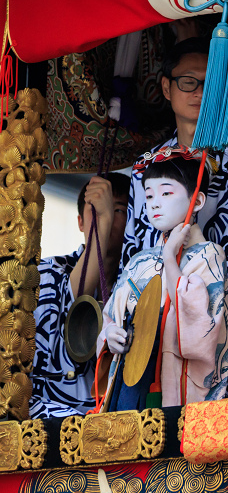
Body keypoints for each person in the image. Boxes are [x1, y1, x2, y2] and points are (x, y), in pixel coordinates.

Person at [121, 38, 228, 393]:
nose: (199, 92)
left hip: (224, 327)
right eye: (188, 81)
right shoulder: (145, 168)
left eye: (209, 83)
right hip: (155, 323)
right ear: (166, 87)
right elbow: (135, 245)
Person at [98, 152, 228, 409]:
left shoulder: (209, 255)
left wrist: (170, 258)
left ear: (198, 200)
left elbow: (198, 337)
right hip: (131, 381)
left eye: (166, 193)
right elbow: (109, 319)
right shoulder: (139, 261)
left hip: (177, 393)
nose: (155, 204)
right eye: (149, 196)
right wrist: (109, 336)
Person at [30, 173, 130, 418]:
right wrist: (104, 221)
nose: (105, 215)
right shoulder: (47, 271)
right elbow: (73, 308)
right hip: (48, 415)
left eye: (119, 210)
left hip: (113, 419)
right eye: (94, 208)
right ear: (80, 222)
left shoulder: (139, 280)